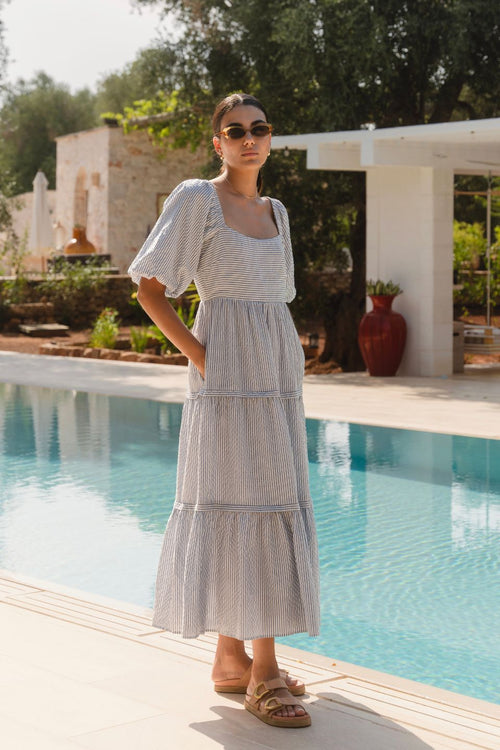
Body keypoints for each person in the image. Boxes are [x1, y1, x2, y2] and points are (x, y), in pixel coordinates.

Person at [128, 93, 320, 729]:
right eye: (234, 131)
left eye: (259, 129)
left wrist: (287, 361)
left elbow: (275, 298)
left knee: (269, 503)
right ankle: (265, 674)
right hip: (228, 377)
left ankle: (232, 661)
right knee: (247, 505)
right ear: (217, 142)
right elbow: (149, 287)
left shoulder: (277, 211)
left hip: (277, 380)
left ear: (270, 138)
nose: (248, 139)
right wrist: (201, 357)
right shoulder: (195, 199)